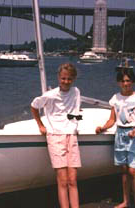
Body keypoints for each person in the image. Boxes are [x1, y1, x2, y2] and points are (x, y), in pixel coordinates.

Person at [95, 68, 135, 208]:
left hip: (134, 135)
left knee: (133, 170)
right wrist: (103, 128)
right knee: (124, 170)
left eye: (128, 80)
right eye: (123, 81)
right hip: (120, 134)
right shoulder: (115, 98)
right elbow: (112, 120)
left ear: (132, 81)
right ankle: (126, 201)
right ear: (119, 82)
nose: (126, 83)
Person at [31, 63, 82, 208]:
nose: (66, 81)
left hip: (71, 135)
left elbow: (73, 111)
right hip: (55, 136)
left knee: (72, 179)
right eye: (63, 78)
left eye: (69, 79)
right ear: (59, 78)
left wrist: (77, 121)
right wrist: (41, 125)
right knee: (63, 180)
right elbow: (34, 106)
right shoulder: (50, 94)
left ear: (74, 79)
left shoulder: (76, 91)